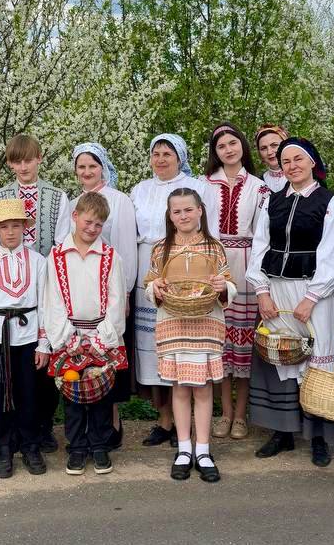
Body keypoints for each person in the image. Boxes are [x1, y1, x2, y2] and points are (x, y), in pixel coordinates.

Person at [246, 137, 334, 467]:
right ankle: (283, 432)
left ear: (313, 162)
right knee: (282, 355)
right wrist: (261, 291)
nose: (291, 165)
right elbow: (260, 246)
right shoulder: (272, 201)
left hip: (312, 291)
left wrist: (312, 297)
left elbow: (333, 255)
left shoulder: (329, 202)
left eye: (298, 159)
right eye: (285, 160)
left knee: (316, 361)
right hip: (276, 289)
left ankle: (318, 435)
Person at [145, 188, 235, 482]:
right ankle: (184, 448)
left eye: (188, 210)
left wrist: (224, 287)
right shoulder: (160, 249)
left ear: (200, 211)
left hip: (207, 321)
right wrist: (155, 288)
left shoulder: (214, 247)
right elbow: (150, 285)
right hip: (172, 322)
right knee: (181, 387)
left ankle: (204, 449)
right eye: (176, 211)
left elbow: (227, 284)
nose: (183, 216)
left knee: (204, 387)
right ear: (170, 217)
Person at [0, 133, 70, 451]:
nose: (24, 166)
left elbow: (62, 243)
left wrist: (47, 279)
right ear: (10, 164)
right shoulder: (0, 196)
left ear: (39, 158)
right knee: (15, 363)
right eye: (17, 160)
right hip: (11, 291)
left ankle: (44, 424)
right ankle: (13, 426)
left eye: (29, 159)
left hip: (47, 286)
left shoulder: (56, 196)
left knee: (45, 359)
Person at [130, 134, 208, 447]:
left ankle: (186, 423)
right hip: (148, 268)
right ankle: (164, 417)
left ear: (180, 157)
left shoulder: (197, 188)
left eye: (167, 153)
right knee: (154, 350)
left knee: (184, 345)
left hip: (186, 267)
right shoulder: (140, 189)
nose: (161, 159)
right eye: (156, 153)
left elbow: (206, 228)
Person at [43, 192, 128, 476]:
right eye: (88, 222)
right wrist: (70, 339)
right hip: (70, 337)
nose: (92, 229)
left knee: (102, 393)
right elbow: (52, 301)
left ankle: (100, 446)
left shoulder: (110, 256)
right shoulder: (56, 257)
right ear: (75, 216)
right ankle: (77, 447)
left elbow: (117, 301)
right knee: (73, 396)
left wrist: (101, 339)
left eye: (99, 225)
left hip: (102, 335)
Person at [0, 199, 50, 479]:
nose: (11, 232)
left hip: (28, 336)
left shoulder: (39, 262)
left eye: (16, 226)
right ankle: (3, 447)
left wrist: (43, 343)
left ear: (24, 228)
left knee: (30, 393)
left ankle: (30, 445)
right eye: (4, 227)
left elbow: (44, 303)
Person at [71, 142, 137, 445]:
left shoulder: (119, 201)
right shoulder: (74, 202)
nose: (87, 172)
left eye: (92, 166)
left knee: (109, 353)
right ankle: (84, 422)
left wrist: (123, 294)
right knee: (82, 357)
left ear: (103, 167)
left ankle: (111, 420)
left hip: (111, 293)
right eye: (81, 167)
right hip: (80, 296)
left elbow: (126, 249)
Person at [200, 123, 263, 440]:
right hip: (214, 263)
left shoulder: (258, 186)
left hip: (248, 267)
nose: (228, 149)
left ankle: (241, 415)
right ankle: (224, 413)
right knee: (221, 344)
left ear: (242, 146)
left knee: (243, 345)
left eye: (233, 142)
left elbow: (263, 232)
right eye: (221, 145)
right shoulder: (203, 185)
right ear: (215, 152)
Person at [254, 124, 290, 199]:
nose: (269, 152)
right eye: (263, 148)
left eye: (274, 145)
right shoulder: (257, 184)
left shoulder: (301, 177)